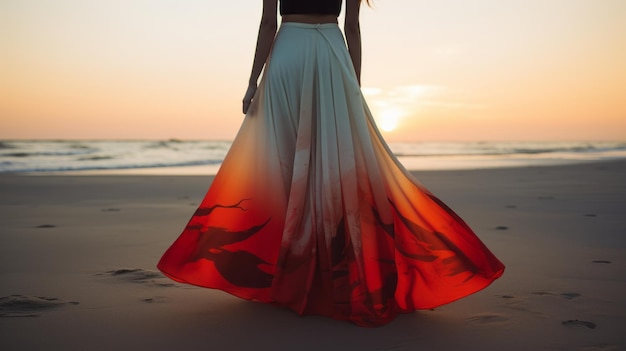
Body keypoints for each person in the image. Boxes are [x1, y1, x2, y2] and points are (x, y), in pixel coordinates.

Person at [158, 0, 504, 327]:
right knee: (334, 162)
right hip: (331, 54)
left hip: (287, 53)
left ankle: (289, 268)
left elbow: (267, 23)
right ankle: (329, 269)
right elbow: (352, 27)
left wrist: (252, 81)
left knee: (284, 162)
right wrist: (353, 83)